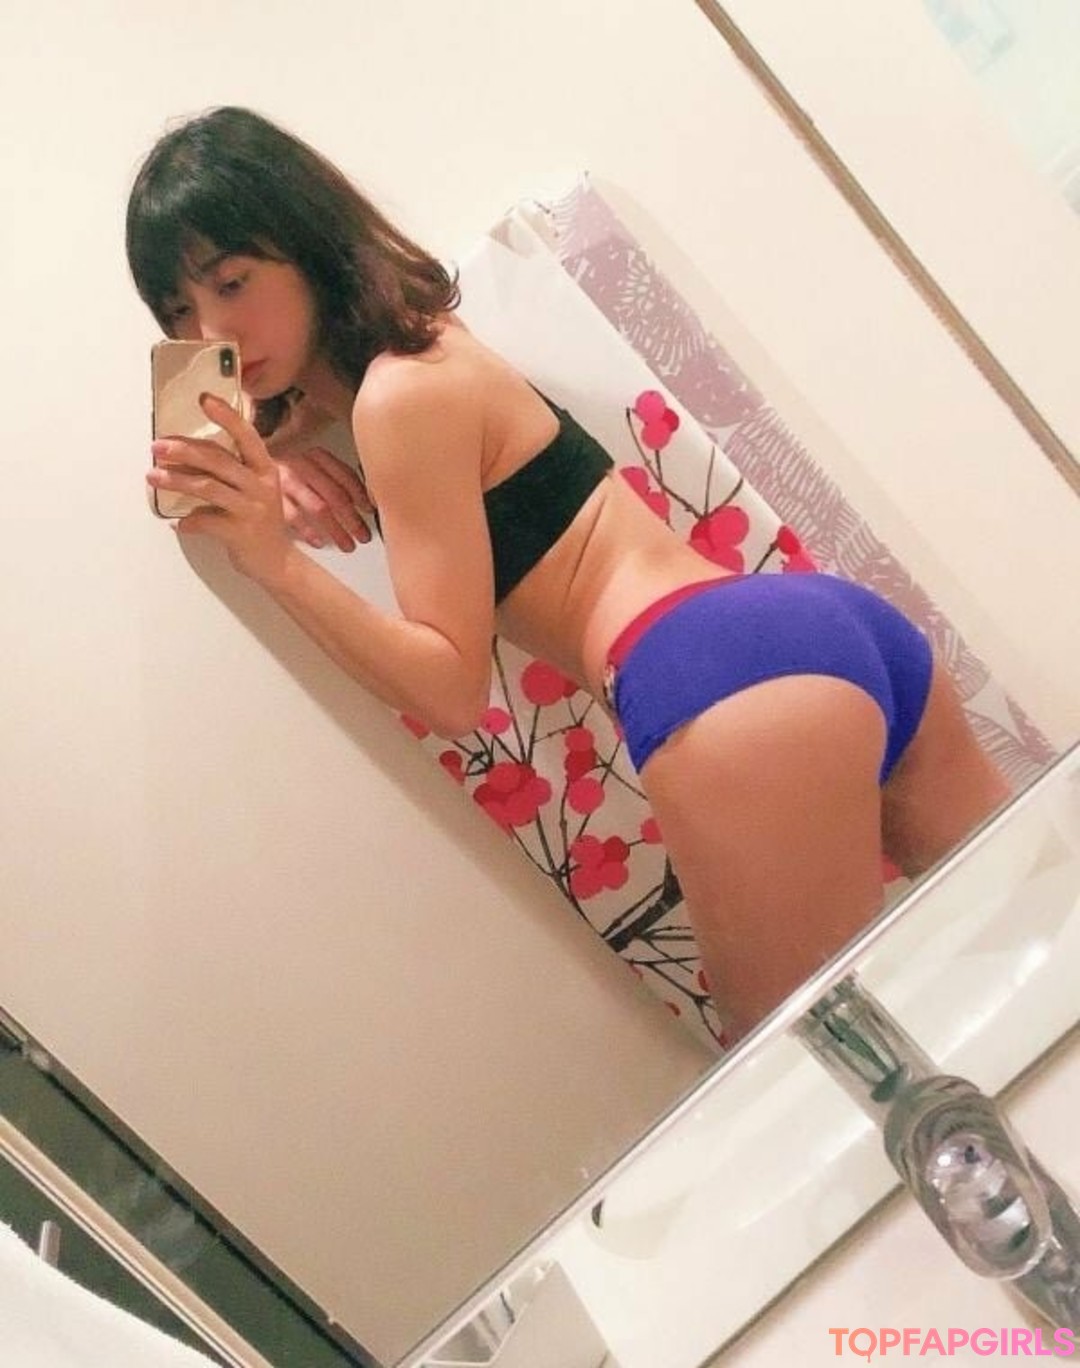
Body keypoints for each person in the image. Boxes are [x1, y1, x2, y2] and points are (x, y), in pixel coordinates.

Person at [128, 106, 1010, 1043]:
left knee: (810, 1081)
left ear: (308, 243)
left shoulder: (396, 400)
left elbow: (451, 689)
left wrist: (271, 560)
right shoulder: (431, 346)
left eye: (233, 281)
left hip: (707, 683)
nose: (215, 326)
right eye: (180, 312)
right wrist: (278, 450)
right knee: (1031, 955)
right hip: (819, 626)